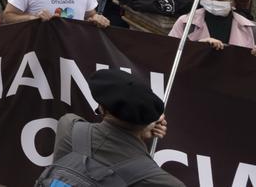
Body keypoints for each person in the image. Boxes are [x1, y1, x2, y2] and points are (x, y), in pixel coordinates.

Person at [39, 69, 179, 187]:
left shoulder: (69, 127)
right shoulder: (161, 181)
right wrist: (142, 132)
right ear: (148, 122)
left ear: (103, 109)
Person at [168, 0, 256, 49]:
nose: (213, 1)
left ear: (234, 1)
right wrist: (196, 46)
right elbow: (170, 51)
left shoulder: (250, 28)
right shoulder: (186, 22)